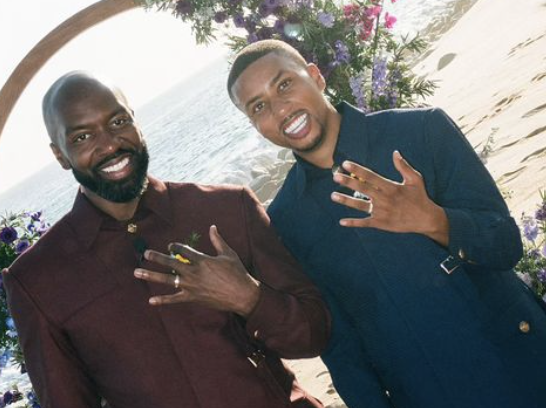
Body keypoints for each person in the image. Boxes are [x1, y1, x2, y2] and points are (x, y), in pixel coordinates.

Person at [227, 39, 546, 408]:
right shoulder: (286, 219)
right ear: (255, 125)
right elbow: (343, 349)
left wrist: (434, 221)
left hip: (524, 362)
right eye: (259, 106)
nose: (280, 108)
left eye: (284, 84)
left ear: (315, 77)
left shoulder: (421, 130)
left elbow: (505, 244)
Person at [2, 71, 331, 408]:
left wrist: (248, 297)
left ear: (135, 121)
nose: (110, 144)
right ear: (60, 155)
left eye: (117, 122)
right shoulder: (36, 281)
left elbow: (314, 335)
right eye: (83, 136)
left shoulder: (229, 208)